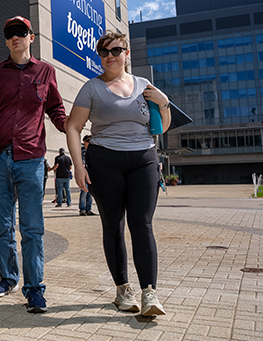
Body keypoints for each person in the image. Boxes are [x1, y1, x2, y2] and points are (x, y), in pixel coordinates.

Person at [65, 31, 171, 317]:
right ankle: (123, 289)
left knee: (142, 223)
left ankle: (150, 293)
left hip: (143, 161)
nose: (109, 56)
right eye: (103, 52)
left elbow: (161, 127)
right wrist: (79, 165)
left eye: (115, 50)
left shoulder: (144, 85)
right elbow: (72, 126)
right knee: (113, 225)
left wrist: (163, 102)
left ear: (126, 53)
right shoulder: (91, 88)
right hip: (104, 161)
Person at [0, 15, 67, 313]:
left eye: (21, 32)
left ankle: (35, 289)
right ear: (6, 40)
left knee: (32, 229)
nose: (16, 37)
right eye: (10, 34)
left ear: (31, 37)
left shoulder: (46, 72)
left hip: (31, 160)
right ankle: (8, 278)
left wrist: (73, 128)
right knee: (2, 228)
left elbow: (55, 109)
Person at [79, 136, 95, 216]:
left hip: (91, 173)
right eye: (88, 140)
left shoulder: (92, 151)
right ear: (84, 141)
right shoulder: (81, 151)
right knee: (84, 192)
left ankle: (88, 209)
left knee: (90, 193)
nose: (89, 142)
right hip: (84, 173)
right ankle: (82, 209)